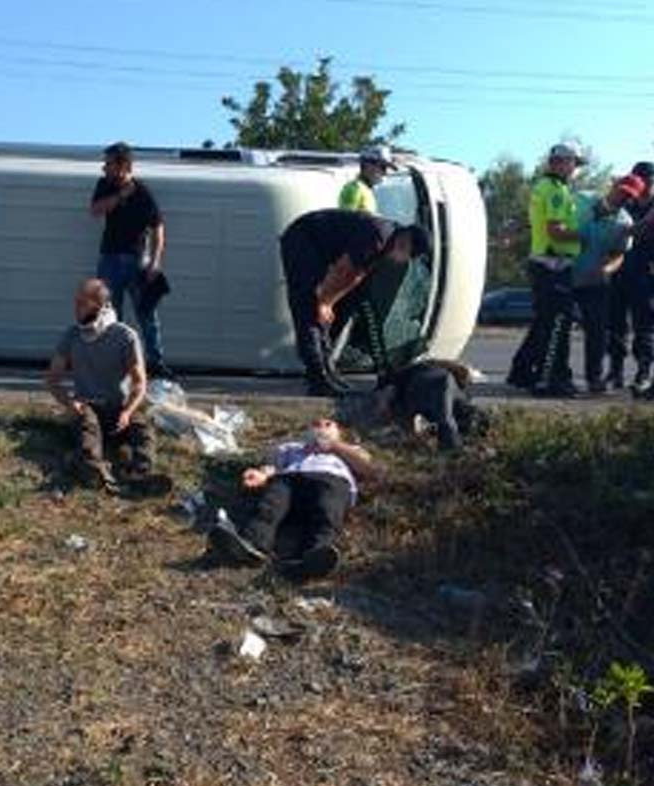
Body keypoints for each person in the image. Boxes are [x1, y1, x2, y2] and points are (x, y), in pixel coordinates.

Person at [278, 209, 431, 395]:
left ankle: (327, 369)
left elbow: (356, 277)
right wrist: (324, 302)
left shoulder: (389, 242)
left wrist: (332, 302)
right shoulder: (377, 237)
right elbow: (344, 270)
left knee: (340, 308)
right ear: (405, 242)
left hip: (325, 250)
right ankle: (317, 378)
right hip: (303, 239)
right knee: (309, 308)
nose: (404, 261)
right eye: (409, 255)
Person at [206, 418, 374, 580]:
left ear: (339, 432)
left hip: (329, 479)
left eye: (328, 425)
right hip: (291, 479)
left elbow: (366, 468)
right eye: (316, 424)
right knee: (271, 504)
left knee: (327, 509)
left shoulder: (348, 449)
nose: (321, 427)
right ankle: (252, 544)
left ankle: (315, 554)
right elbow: (272, 466)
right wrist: (261, 475)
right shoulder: (292, 448)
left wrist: (334, 445)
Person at [46, 278, 168, 496]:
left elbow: (140, 382)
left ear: (99, 306)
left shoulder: (125, 336)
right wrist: (69, 402)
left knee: (143, 428)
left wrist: (128, 412)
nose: (75, 308)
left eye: (82, 303)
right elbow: (53, 379)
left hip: (118, 409)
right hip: (87, 407)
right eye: (76, 302)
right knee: (87, 424)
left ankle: (140, 475)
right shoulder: (72, 336)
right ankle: (97, 473)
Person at [89, 142, 173, 379]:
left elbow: (158, 227)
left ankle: (156, 363)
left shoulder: (143, 192)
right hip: (109, 259)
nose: (104, 168)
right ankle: (115, 365)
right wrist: (119, 196)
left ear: (123, 165)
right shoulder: (104, 185)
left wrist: (155, 262)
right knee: (109, 315)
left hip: (137, 261)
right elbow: (95, 210)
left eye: (108, 163)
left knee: (147, 315)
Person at [508, 143, 585, 396]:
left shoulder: (550, 187)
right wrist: (585, 236)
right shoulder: (554, 190)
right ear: (560, 162)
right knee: (558, 324)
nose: (575, 169)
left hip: (546, 264)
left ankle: (521, 371)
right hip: (553, 265)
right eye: (573, 162)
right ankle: (551, 380)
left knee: (544, 323)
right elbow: (555, 231)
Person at [569, 175, 642, 394]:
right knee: (553, 327)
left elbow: (619, 254)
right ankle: (543, 374)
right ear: (613, 185)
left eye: (629, 196)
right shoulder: (581, 198)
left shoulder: (625, 222)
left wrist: (608, 268)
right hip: (563, 273)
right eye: (622, 191)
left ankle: (594, 379)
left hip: (595, 282)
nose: (623, 197)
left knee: (597, 332)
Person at [350, 359, 489, 451]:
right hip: (402, 398)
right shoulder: (441, 379)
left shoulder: (432, 377)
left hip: (403, 400)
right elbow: (445, 419)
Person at [606, 162, 654, 390]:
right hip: (621, 270)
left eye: (650, 179)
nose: (646, 184)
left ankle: (643, 373)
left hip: (646, 274)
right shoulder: (627, 204)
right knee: (616, 324)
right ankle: (615, 371)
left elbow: (638, 230)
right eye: (642, 179)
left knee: (644, 326)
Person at [338, 145, 396, 214]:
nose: (384, 173)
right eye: (383, 167)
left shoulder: (366, 190)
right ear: (367, 165)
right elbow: (347, 221)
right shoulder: (354, 188)